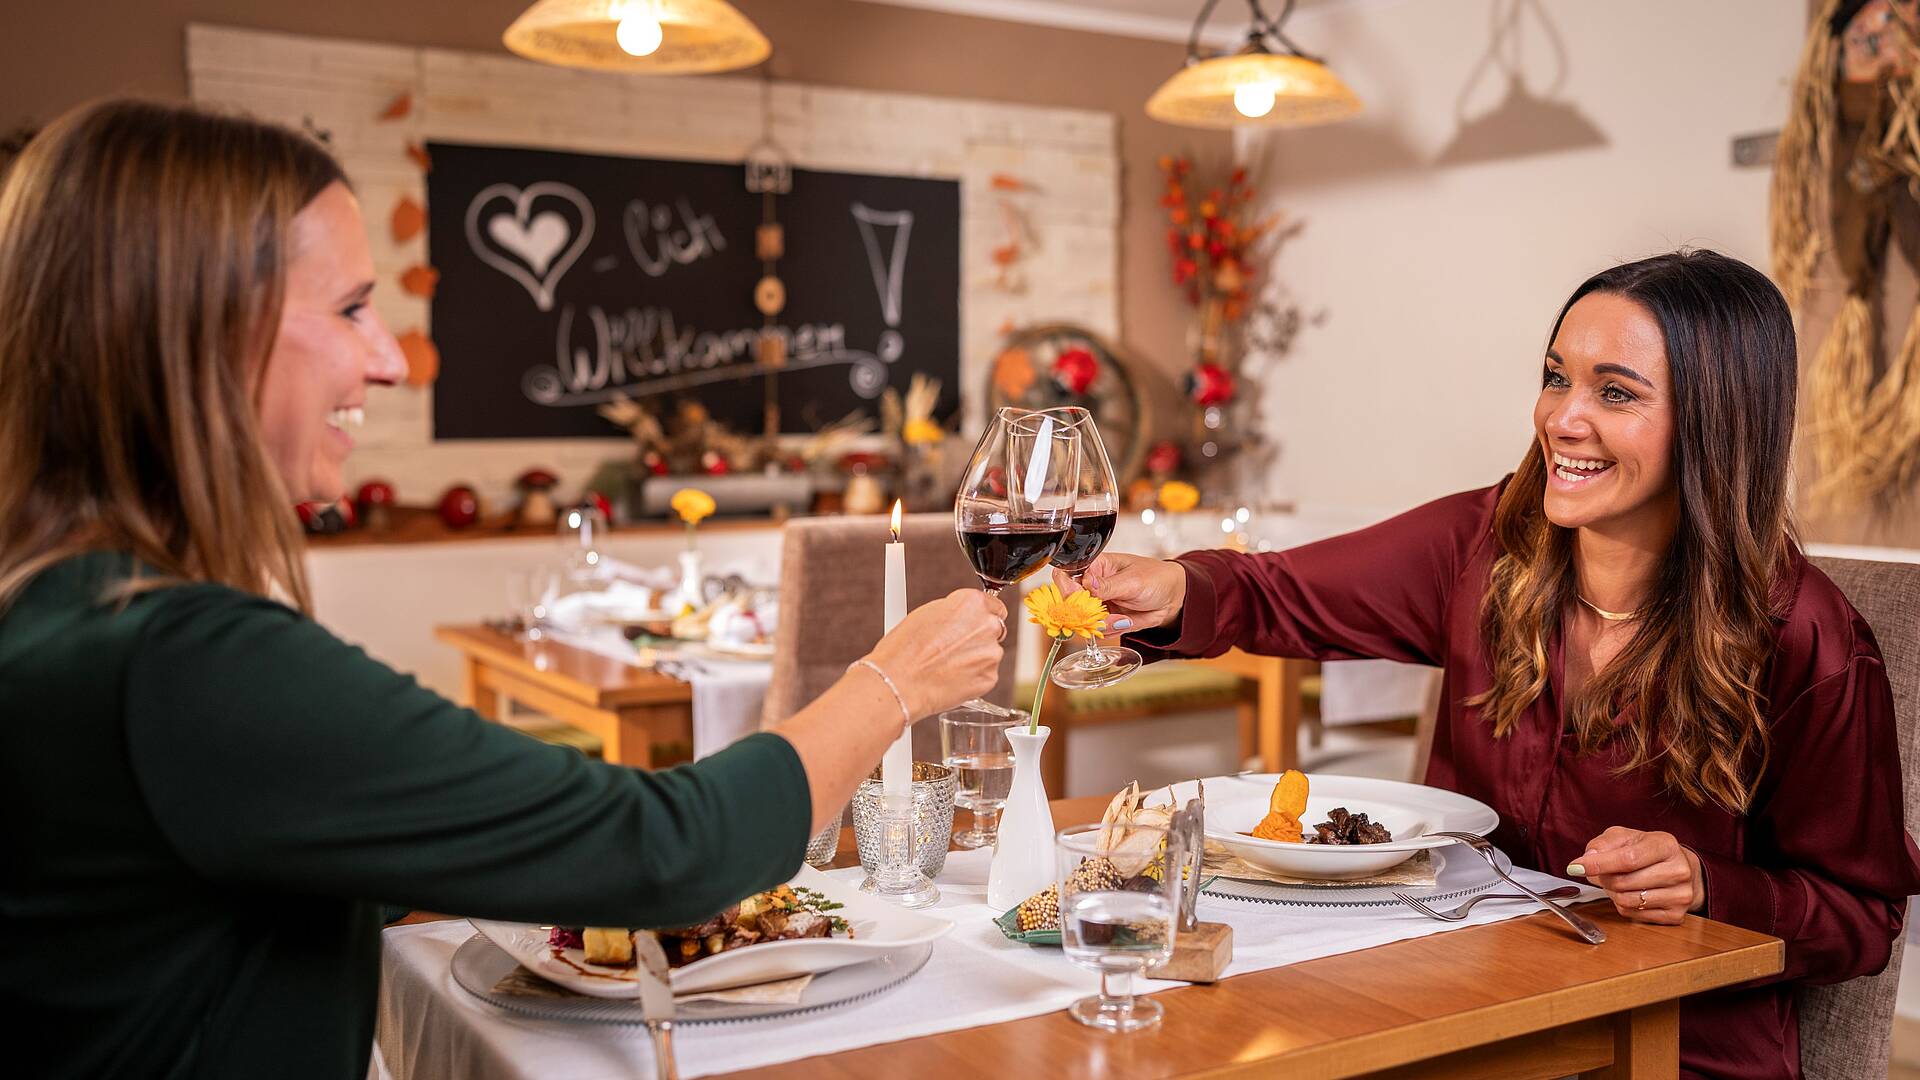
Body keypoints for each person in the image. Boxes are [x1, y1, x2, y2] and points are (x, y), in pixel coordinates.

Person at [0, 100, 1006, 1079]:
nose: (390, 359)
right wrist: (895, 681)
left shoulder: (60, 616)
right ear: (193, 329)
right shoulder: (181, 664)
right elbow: (665, 850)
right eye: (352, 308)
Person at [1078, 250, 1920, 1078]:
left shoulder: (1809, 638)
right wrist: (1177, 588)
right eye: (1558, 377)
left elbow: (1862, 919)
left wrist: (1708, 883)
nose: (1560, 418)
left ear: (1715, 422)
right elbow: (1277, 592)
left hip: (1669, 1048)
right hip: (1463, 1008)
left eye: (1615, 392)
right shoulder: (1483, 545)